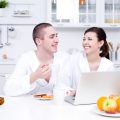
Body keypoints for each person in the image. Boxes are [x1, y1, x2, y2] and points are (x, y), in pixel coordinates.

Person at [4, 23, 69, 96]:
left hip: (59, 106)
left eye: (56, 36)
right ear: (38, 41)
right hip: (30, 106)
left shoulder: (64, 58)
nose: (57, 40)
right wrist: (35, 76)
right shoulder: (26, 58)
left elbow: (68, 86)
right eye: (51, 37)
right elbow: (8, 89)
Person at [58, 27, 115, 96]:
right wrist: (72, 92)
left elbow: (111, 91)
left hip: (99, 104)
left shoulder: (108, 66)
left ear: (100, 43)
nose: (85, 42)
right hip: (74, 104)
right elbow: (62, 83)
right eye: (84, 39)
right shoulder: (73, 59)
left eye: (90, 39)